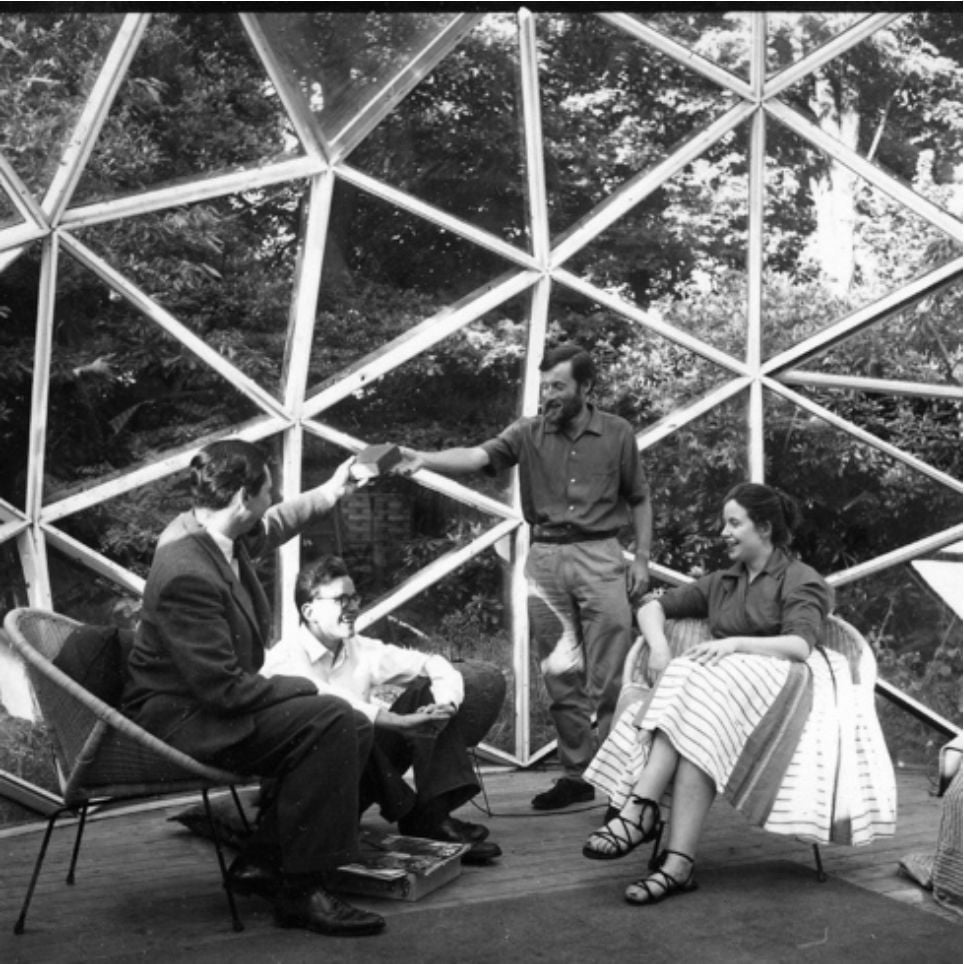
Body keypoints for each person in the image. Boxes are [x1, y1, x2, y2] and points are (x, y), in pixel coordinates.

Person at [122, 439, 385, 937]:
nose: (274, 495)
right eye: (269, 487)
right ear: (245, 496)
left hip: (209, 700)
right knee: (330, 718)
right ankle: (302, 891)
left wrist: (333, 490)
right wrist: (302, 688)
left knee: (350, 724)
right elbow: (223, 691)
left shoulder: (215, 534)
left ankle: (265, 862)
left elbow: (278, 522)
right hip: (184, 718)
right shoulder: (187, 570)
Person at [397, 343, 652, 811]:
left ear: (586, 388)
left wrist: (641, 560)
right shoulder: (528, 433)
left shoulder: (617, 433)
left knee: (611, 676)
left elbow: (638, 498)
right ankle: (576, 775)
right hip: (547, 557)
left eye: (558, 386)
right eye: (544, 387)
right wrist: (424, 459)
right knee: (560, 674)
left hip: (601, 555)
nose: (548, 396)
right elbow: (477, 457)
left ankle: (620, 781)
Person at [580, 483, 842, 905]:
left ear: (766, 528)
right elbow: (650, 604)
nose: (724, 532)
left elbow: (799, 646)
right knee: (693, 720)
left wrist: (734, 644)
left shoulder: (800, 579)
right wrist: (660, 649)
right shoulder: (724, 582)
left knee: (693, 678)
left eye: (734, 523)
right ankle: (677, 864)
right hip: (721, 701)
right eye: (725, 523)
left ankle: (640, 806)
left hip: (781, 695)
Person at [262, 555, 504, 864]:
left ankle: (431, 816)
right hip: (309, 791)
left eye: (354, 598)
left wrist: (444, 705)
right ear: (309, 611)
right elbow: (328, 701)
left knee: (422, 691)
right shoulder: (285, 658)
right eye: (340, 600)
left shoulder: (358, 648)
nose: (352, 608)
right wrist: (395, 721)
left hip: (358, 777)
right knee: (344, 722)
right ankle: (418, 817)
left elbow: (432, 662)